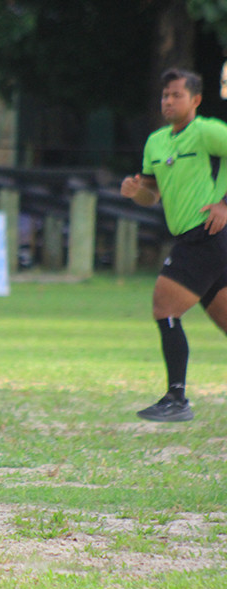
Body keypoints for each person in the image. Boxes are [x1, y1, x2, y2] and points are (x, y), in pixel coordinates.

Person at [120, 68, 227, 422]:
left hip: (207, 235)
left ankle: (176, 399)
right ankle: (176, 399)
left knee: (164, 306)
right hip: (195, 237)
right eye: (165, 95)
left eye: (176, 95)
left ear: (195, 100)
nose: (168, 101)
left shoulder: (208, 132)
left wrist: (225, 204)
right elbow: (152, 195)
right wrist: (137, 192)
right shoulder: (156, 142)